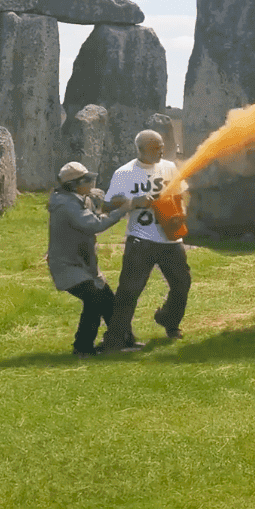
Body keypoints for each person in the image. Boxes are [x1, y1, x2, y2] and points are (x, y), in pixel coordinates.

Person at [100, 130, 191, 352]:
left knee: (182, 284)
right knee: (129, 291)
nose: (161, 151)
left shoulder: (169, 167)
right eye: (155, 148)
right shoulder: (124, 173)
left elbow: (181, 194)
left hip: (170, 239)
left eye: (161, 147)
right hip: (141, 240)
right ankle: (115, 339)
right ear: (140, 150)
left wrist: (181, 213)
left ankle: (169, 320)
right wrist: (133, 201)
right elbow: (107, 205)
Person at [46, 161, 131, 358]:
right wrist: (124, 209)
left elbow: (97, 207)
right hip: (67, 266)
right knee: (94, 299)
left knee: (108, 300)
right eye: (87, 179)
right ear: (74, 185)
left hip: (84, 264)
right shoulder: (66, 204)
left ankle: (123, 341)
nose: (91, 182)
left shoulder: (78, 198)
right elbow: (94, 224)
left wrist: (115, 202)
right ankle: (82, 348)